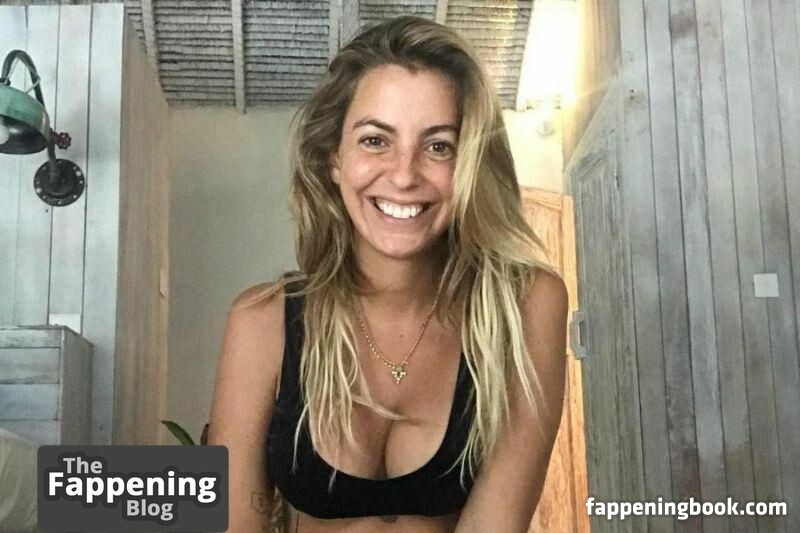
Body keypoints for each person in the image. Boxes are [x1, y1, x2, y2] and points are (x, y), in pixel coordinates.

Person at [207, 15, 569, 533]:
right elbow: (235, 523)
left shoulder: (525, 306)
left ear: (469, 164)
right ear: (333, 159)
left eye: (439, 146)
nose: (403, 175)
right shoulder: (261, 321)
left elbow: (495, 524)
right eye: (375, 140)